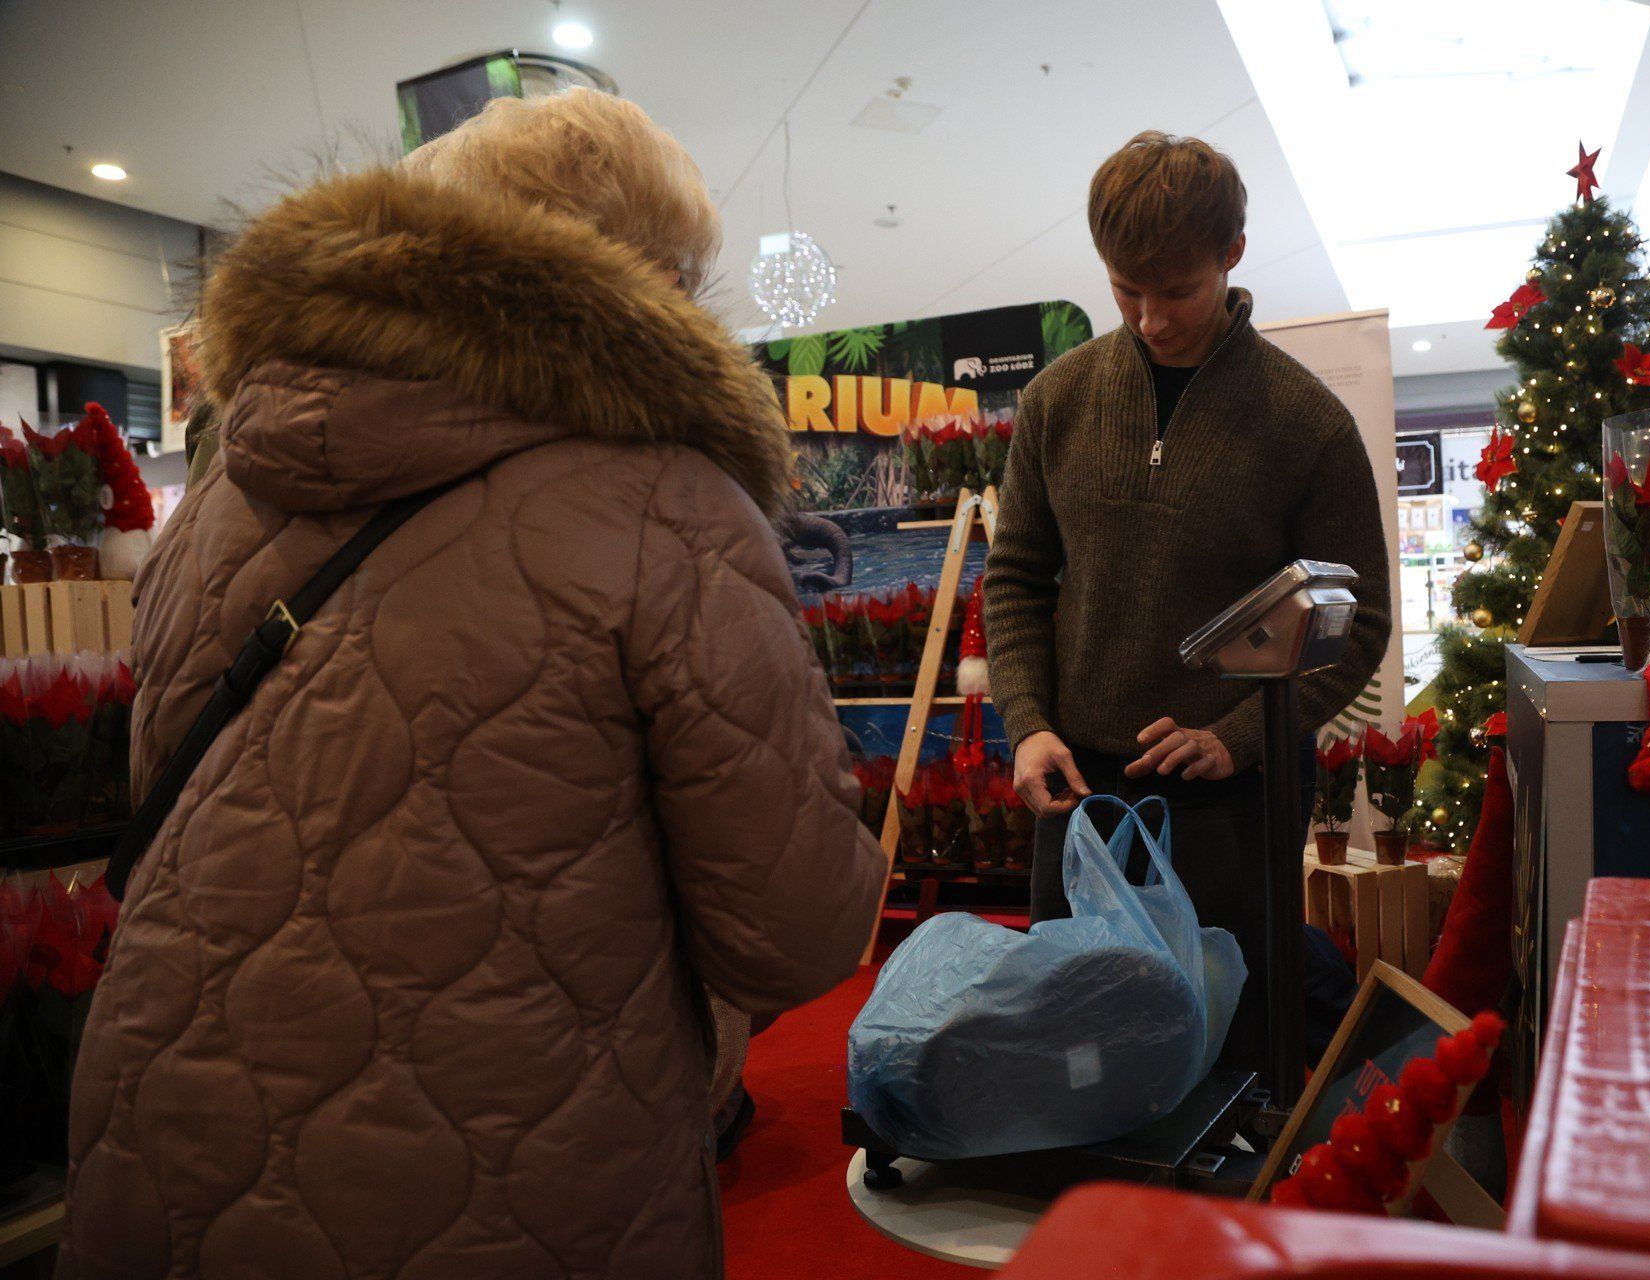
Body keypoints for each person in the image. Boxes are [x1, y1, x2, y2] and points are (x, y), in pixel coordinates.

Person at [60, 89, 885, 1280]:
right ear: (643, 284)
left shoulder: (227, 491)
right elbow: (794, 928)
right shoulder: (671, 507)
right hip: (506, 1165)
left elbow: (170, 790)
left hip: (166, 1118)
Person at [984, 131, 1390, 1076]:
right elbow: (1014, 579)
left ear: (1232, 256)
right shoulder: (1058, 399)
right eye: (1126, 289)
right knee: (1074, 1048)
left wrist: (1242, 736)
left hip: (1232, 801)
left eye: (1177, 290)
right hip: (1076, 788)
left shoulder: (1306, 424)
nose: (1150, 318)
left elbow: (1355, 625)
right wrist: (1028, 724)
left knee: (1226, 1053)